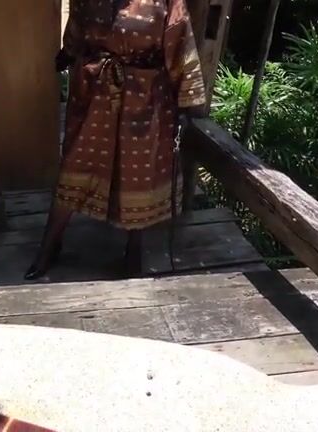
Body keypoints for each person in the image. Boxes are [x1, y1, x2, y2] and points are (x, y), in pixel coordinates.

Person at [25, 0, 207, 280]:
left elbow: (180, 41)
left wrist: (187, 101)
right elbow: (77, 26)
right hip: (94, 92)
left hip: (146, 97)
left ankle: (134, 247)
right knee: (76, 164)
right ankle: (50, 243)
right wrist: (68, 52)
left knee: (137, 173)